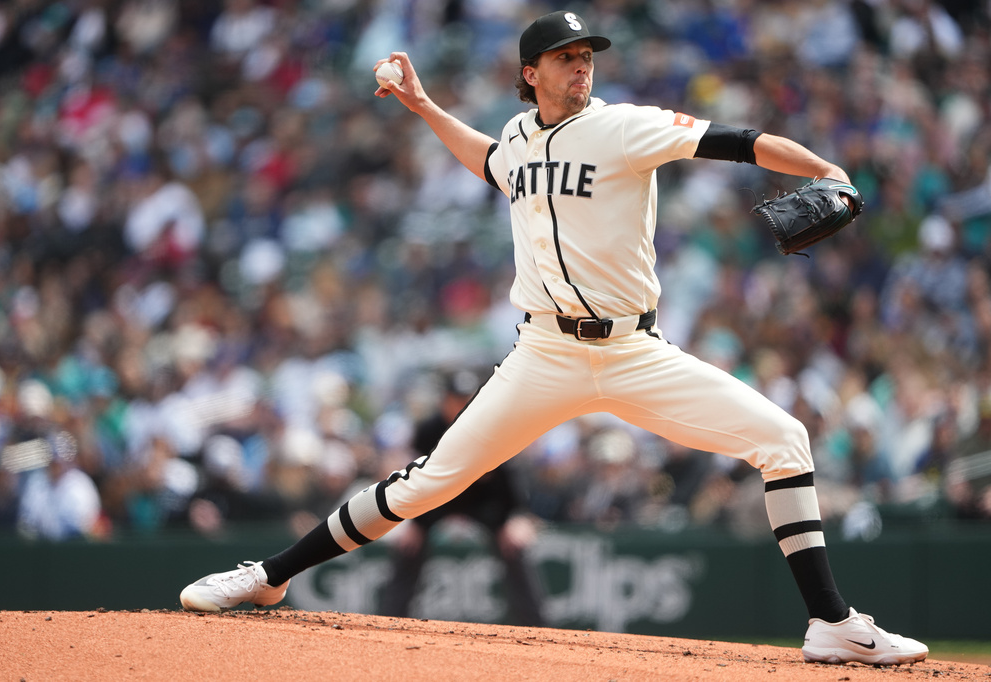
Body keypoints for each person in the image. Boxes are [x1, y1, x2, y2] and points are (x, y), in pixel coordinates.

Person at [179, 10, 928, 666]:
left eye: (588, 55)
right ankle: (269, 575)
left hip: (635, 353)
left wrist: (826, 167)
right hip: (544, 353)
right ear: (530, 73)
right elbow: (490, 161)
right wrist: (424, 105)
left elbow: (742, 141)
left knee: (785, 439)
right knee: (426, 483)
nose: (582, 65)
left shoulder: (623, 124)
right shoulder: (515, 136)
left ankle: (831, 624)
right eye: (568, 57)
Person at [378, 369, 544, 626]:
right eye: (457, 399)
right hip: (437, 503)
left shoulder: (493, 426)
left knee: (514, 545)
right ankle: (389, 619)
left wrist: (515, 516)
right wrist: (414, 522)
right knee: (409, 543)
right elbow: (416, 481)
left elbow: (508, 478)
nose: (462, 405)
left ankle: (537, 627)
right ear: (444, 400)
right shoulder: (428, 430)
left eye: (468, 398)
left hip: (484, 503)